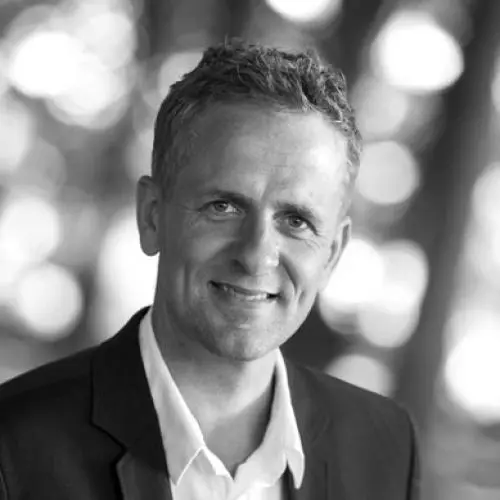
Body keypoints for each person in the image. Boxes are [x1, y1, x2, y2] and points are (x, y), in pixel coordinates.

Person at [0, 40, 419, 500]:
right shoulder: (14, 448)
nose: (256, 255)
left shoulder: (386, 448)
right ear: (152, 217)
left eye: (296, 221)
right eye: (224, 207)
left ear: (332, 254)